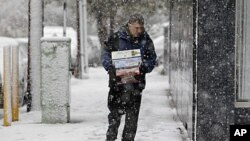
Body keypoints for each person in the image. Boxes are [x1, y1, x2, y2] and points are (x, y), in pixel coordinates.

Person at [101, 13, 157, 141]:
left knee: (132, 121)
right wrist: (111, 67)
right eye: (136, 27)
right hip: (117, 85)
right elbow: (105, 54)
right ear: (129, 25)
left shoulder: (146, 39)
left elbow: (152, 59)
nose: (139, 30)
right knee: (114, 117)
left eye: (141, 28)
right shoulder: (116, 38)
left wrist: (144, 67)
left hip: (136, 86)